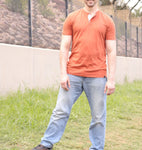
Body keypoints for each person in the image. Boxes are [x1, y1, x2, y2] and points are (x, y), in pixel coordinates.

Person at [32, 0, 116, 149]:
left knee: (98, 117)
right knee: (60, 111)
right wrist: (63, 74)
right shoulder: (72, 18)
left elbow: (111, 51)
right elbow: (64, 48)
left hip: (97, 76)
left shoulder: (107, 21)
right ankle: (46, 144)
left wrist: (111, 79)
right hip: (73, 75)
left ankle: (97, 147)